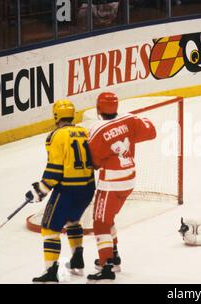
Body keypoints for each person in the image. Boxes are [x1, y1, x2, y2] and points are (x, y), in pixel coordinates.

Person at [87, 92, 156, 282]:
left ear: (99, 108)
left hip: (111, 183)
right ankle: (114, 256)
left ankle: (107, 266)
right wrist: (133, 125)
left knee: (100, 222)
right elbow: (151, 130)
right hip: (129, 179)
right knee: (108, 218)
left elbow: (93, 161)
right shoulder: (129, 119)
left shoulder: (98, 129)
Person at [29, 99, 95, 283]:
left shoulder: (55, 135)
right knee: (73, 220)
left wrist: (41, 189)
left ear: (56, 115)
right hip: (88, 187)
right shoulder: (85, 132)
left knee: (49, 228)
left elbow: (55, 170)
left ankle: (50, 273)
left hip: (67, 189)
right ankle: (77, 259)